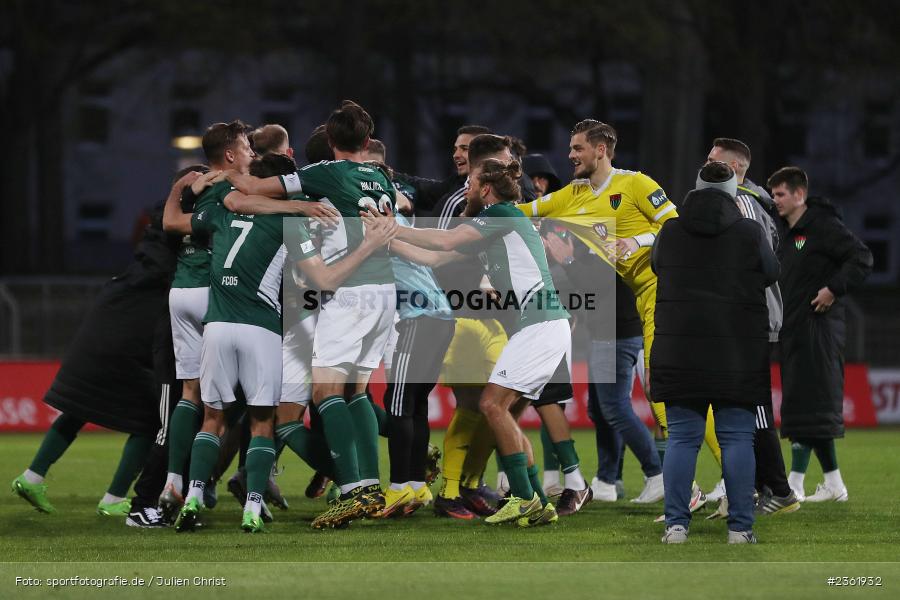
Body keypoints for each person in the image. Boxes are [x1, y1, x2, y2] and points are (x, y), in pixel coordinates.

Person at [224, 100, 402, 528]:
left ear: (331, 141)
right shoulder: (379, 176)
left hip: (350, 291)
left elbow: (250, 191)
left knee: (325, 395)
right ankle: (371, 485)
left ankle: (355, 490)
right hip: (385, 290)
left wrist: (226, 174)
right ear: (367, 139)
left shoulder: (325, 173)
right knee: (356, 391)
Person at [376, 155, 571, 528]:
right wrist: (386, 241)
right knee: (502, 411)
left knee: (491, 405)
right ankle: (539, 502)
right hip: (537, 326)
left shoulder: (502, 215)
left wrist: (394, 229)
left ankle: (524, 499)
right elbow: (434, 255)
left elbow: (445, 237)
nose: (464, 187)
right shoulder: (494, 224)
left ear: (485, 188)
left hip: (540, 324)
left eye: (470, 182)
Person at [10, 169, 195, 525]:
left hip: (107, 320)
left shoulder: (157, 229)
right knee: (150, 420)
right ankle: (114, 498)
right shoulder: (176, 246)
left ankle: (32, 477)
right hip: (126, 335)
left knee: (79, 405)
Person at [516, 118, 682, 503]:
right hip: (606, 319)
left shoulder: (635, 184)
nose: (570, 155)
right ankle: (613, 478)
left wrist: (634, 240)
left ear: (600, 149)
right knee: (603, 405)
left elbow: (674, 225)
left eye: (577, 148)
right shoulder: (574, 194)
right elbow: (530, 209)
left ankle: (660, 475)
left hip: (624, 317)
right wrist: (485, 214)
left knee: (617, 404)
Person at [652, 161, 779, 544]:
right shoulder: (749, 231)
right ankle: (740, 529)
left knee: (681, 439)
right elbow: (772, 272)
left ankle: (676, 526)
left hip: (679, 347)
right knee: (738, 438)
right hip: (737, 350)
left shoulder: (670, 230)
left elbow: (658, 266)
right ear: (732, 193)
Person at [703, 138, 799, 516]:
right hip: (747, 318)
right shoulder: (749, 202)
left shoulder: (741, 203)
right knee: (744, 406)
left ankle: (778, 490)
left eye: (713, 161)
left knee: (754, 408)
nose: (705, 165)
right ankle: (761, 488)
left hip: (749, 320)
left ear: (735, 168)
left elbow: (751, 264)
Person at [768, 166, 873, 503]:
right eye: (773, 195)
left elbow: (862, 257)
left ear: (800, 194)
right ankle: (834, 484)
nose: (776, 201)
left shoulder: (824, 226)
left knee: (807, 404)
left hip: (819, 329)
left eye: (781, 194)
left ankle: (796, 482)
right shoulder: (787, 233)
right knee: (806, 405)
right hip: (795, 329)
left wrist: (832, 289)